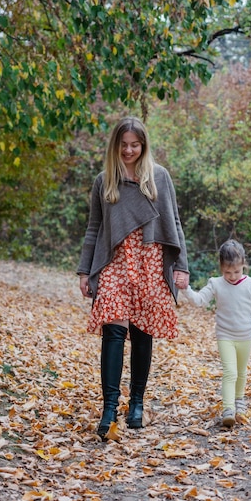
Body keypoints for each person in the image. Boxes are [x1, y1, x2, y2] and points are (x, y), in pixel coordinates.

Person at [77, 116, 190, 440]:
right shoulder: (105, 180)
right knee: (113, 327)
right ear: (116, 146)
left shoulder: (158, 177)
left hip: (150, 259)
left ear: (144, 145)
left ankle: (137, 403)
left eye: (135, 145)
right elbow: (94, 227)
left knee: (142, 332)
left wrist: (180, 265)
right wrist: (86, 270)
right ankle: (109, 408)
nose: (129, 150)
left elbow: (174, 222)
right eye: (123, 145)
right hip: (115, 260)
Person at [176, 239, 251, 428]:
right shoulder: (216, 283)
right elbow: (199, 301)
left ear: (243, 265)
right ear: (221, 267)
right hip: (225, 336)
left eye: (237, 271)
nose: (232, 276)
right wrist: (185, 289)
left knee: (241, 372)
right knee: (230, 372)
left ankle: (239, 401)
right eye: (227, 272)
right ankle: (228, 409)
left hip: (246, 336)